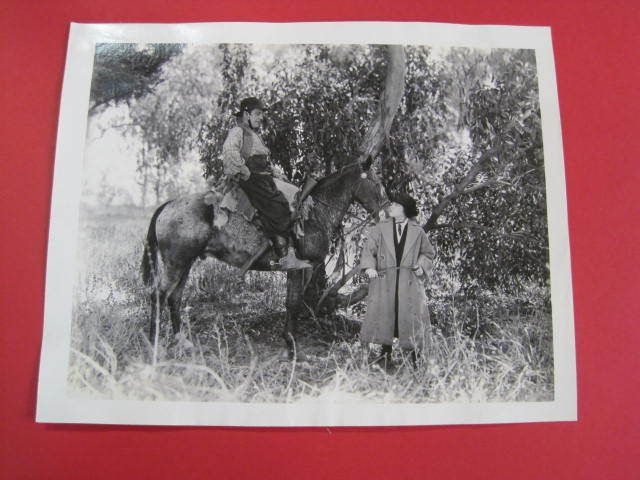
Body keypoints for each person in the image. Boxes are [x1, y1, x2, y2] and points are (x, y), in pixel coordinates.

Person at [221, 97, 311, 270]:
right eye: (256, 114)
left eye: (261, 114)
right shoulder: (238, 132)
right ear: (246, 114)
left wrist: (276, 174)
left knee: (295, 196)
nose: (260, 118)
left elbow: (263, 162)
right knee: (280, 206)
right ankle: (284, 255)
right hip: (251, 180)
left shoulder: (255, 136)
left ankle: (290, 249)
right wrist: (244, 170)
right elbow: (229, 150)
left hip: (263, 179)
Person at [359, 193, 435, 368]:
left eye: (395, 204)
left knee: (410, 316)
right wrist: (369, 267)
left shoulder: (418, 232)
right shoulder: (380, 228)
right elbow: (369, 249)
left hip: (409, 282)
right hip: (386, 281)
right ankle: (385, 354)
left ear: (405, 209)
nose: (390, 207)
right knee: (386, 313)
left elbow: (428, 253)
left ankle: (415, 356)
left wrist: (420, 266)